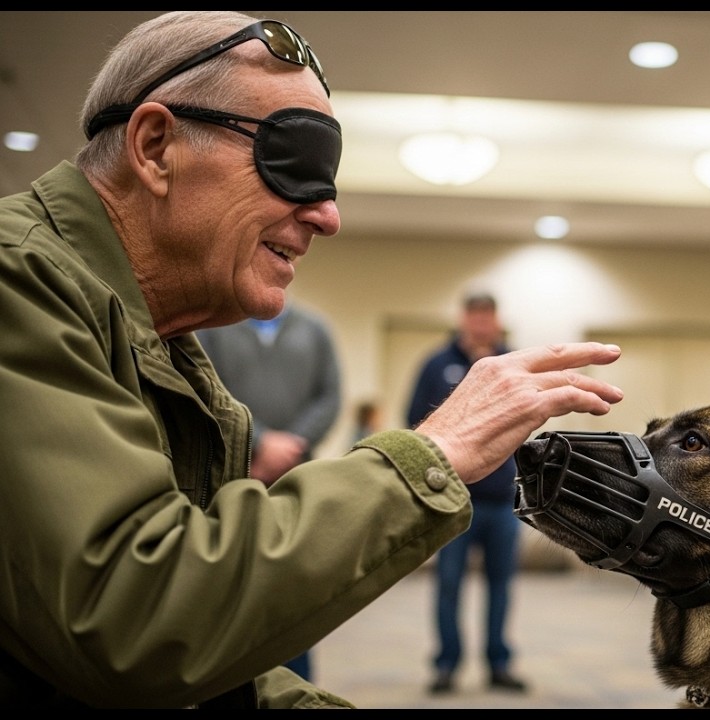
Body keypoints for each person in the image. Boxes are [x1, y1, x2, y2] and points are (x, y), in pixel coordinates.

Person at [0, 11, 623, 709]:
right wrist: (434, 453)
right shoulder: (17, 280)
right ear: (155, 146)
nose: (327, 216)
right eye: (292, 162)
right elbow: (133, 621)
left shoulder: (167, 348)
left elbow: (211, 665)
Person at [196, 300, 344, 680]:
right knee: (232, 583)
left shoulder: (315, 329)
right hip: (231, 472)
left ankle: (296, 683)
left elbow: (329, 396)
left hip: (296, 476)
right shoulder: (214, 325)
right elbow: (205, 385)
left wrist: (292, 445)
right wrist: (258, 440)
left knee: (295, 586)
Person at [406, 291, 527, 695]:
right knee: (449, 584)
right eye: (474, 316)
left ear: (496, 320)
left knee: (501, 585)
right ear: (463, 319)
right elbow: (414, 421)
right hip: (452, 497)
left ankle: (499, 663)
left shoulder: (511, 363)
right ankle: (446, 665)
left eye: (487, 316)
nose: (480, 324)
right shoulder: (437, 364)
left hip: (501, 501)